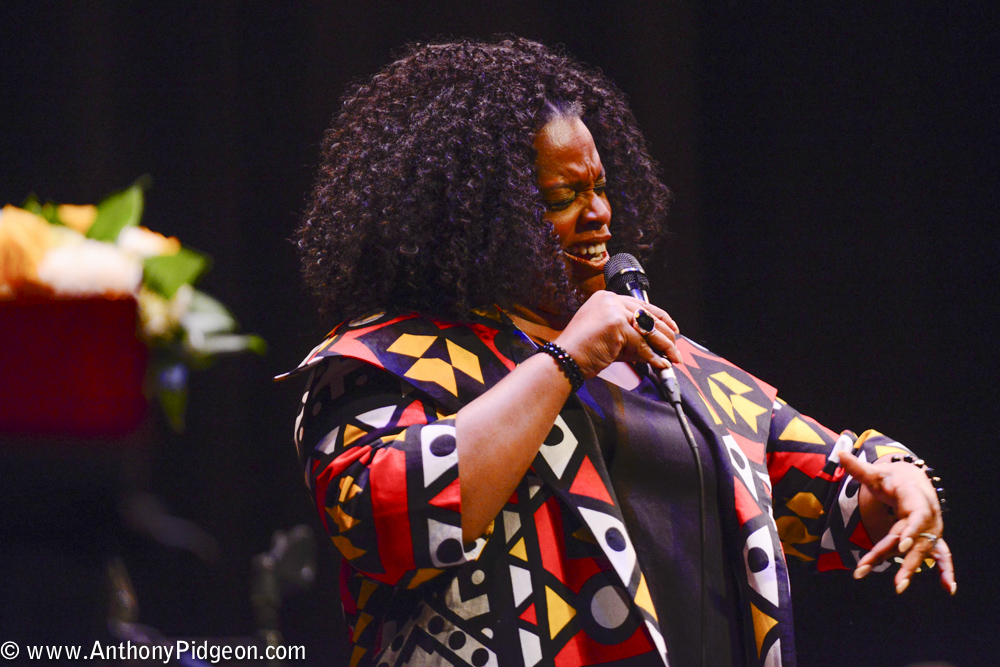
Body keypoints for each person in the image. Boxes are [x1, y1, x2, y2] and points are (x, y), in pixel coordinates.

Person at [284, 36, 954, 667]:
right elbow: (389, 526)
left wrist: (901, 479)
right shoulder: (387, 362)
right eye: (562, 197)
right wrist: (567, 359)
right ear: (479, 217)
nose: (599, 212)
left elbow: (829, 490)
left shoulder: (661, 361)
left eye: (598, 187)